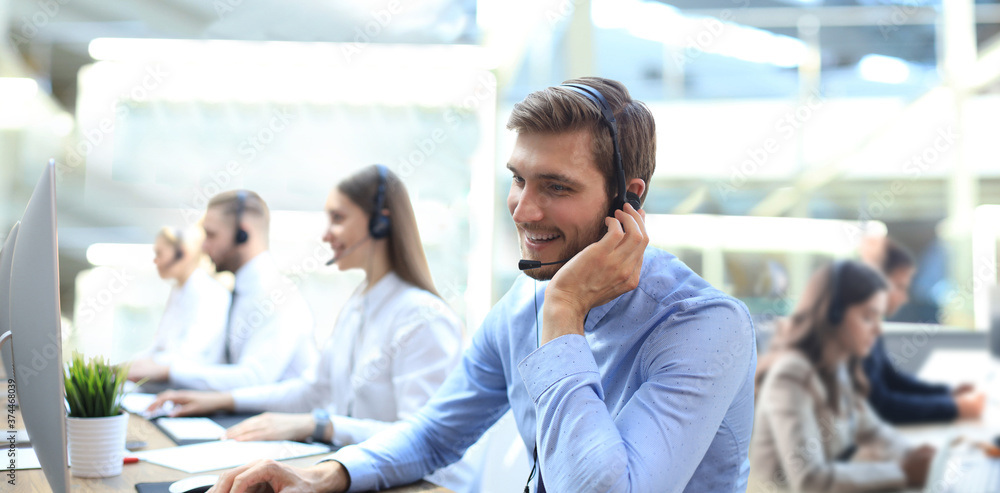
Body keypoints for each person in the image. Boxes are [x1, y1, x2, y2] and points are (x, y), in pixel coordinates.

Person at [206, 77, 757, 493]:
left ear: (628, 198)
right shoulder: (525, 304)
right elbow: (435, 433)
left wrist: (564, 312)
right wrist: (326, 476)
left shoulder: (705, 327)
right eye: (518, 179)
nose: (524, 209)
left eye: (557, 186)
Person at [148, 166, 474, 491]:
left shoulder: (423, 318)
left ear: (380, 221)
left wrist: (319, 424)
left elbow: (419, 439)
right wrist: (222, 400)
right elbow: (313, 389)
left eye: (338, 218)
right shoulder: (359, 303)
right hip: (360, 474)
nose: (326, 234)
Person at [751, 260, 936, 492]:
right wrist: (902, 472)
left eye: (880, 318)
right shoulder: (790, 377)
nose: (878, 330)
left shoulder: (838, 368)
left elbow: (873, 430)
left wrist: (914, 454)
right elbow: (810, 481)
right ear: (833, 315)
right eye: (868, 317)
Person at [129, 191, 316, 390]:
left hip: (284, 418)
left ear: (242, 235)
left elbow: (254, 379)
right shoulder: (238, 293)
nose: (202, 246)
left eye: (211, 234)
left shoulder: (277, 295)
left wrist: (169, 371)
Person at [862, 239, 986, 424]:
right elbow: (882, 406)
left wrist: (947, 393)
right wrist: (955, 407)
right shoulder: (854, 329)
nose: (904, 298)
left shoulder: (871, 324)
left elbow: (892, 380)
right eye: (900, 286)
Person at [130, 226, 229, 367]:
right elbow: (159, 346)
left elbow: (189, 355)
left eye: (159, 253)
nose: (155, 261)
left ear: (183, 253)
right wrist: (129, 366)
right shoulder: (178, 291)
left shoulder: (209, 292)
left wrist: (140, 367)